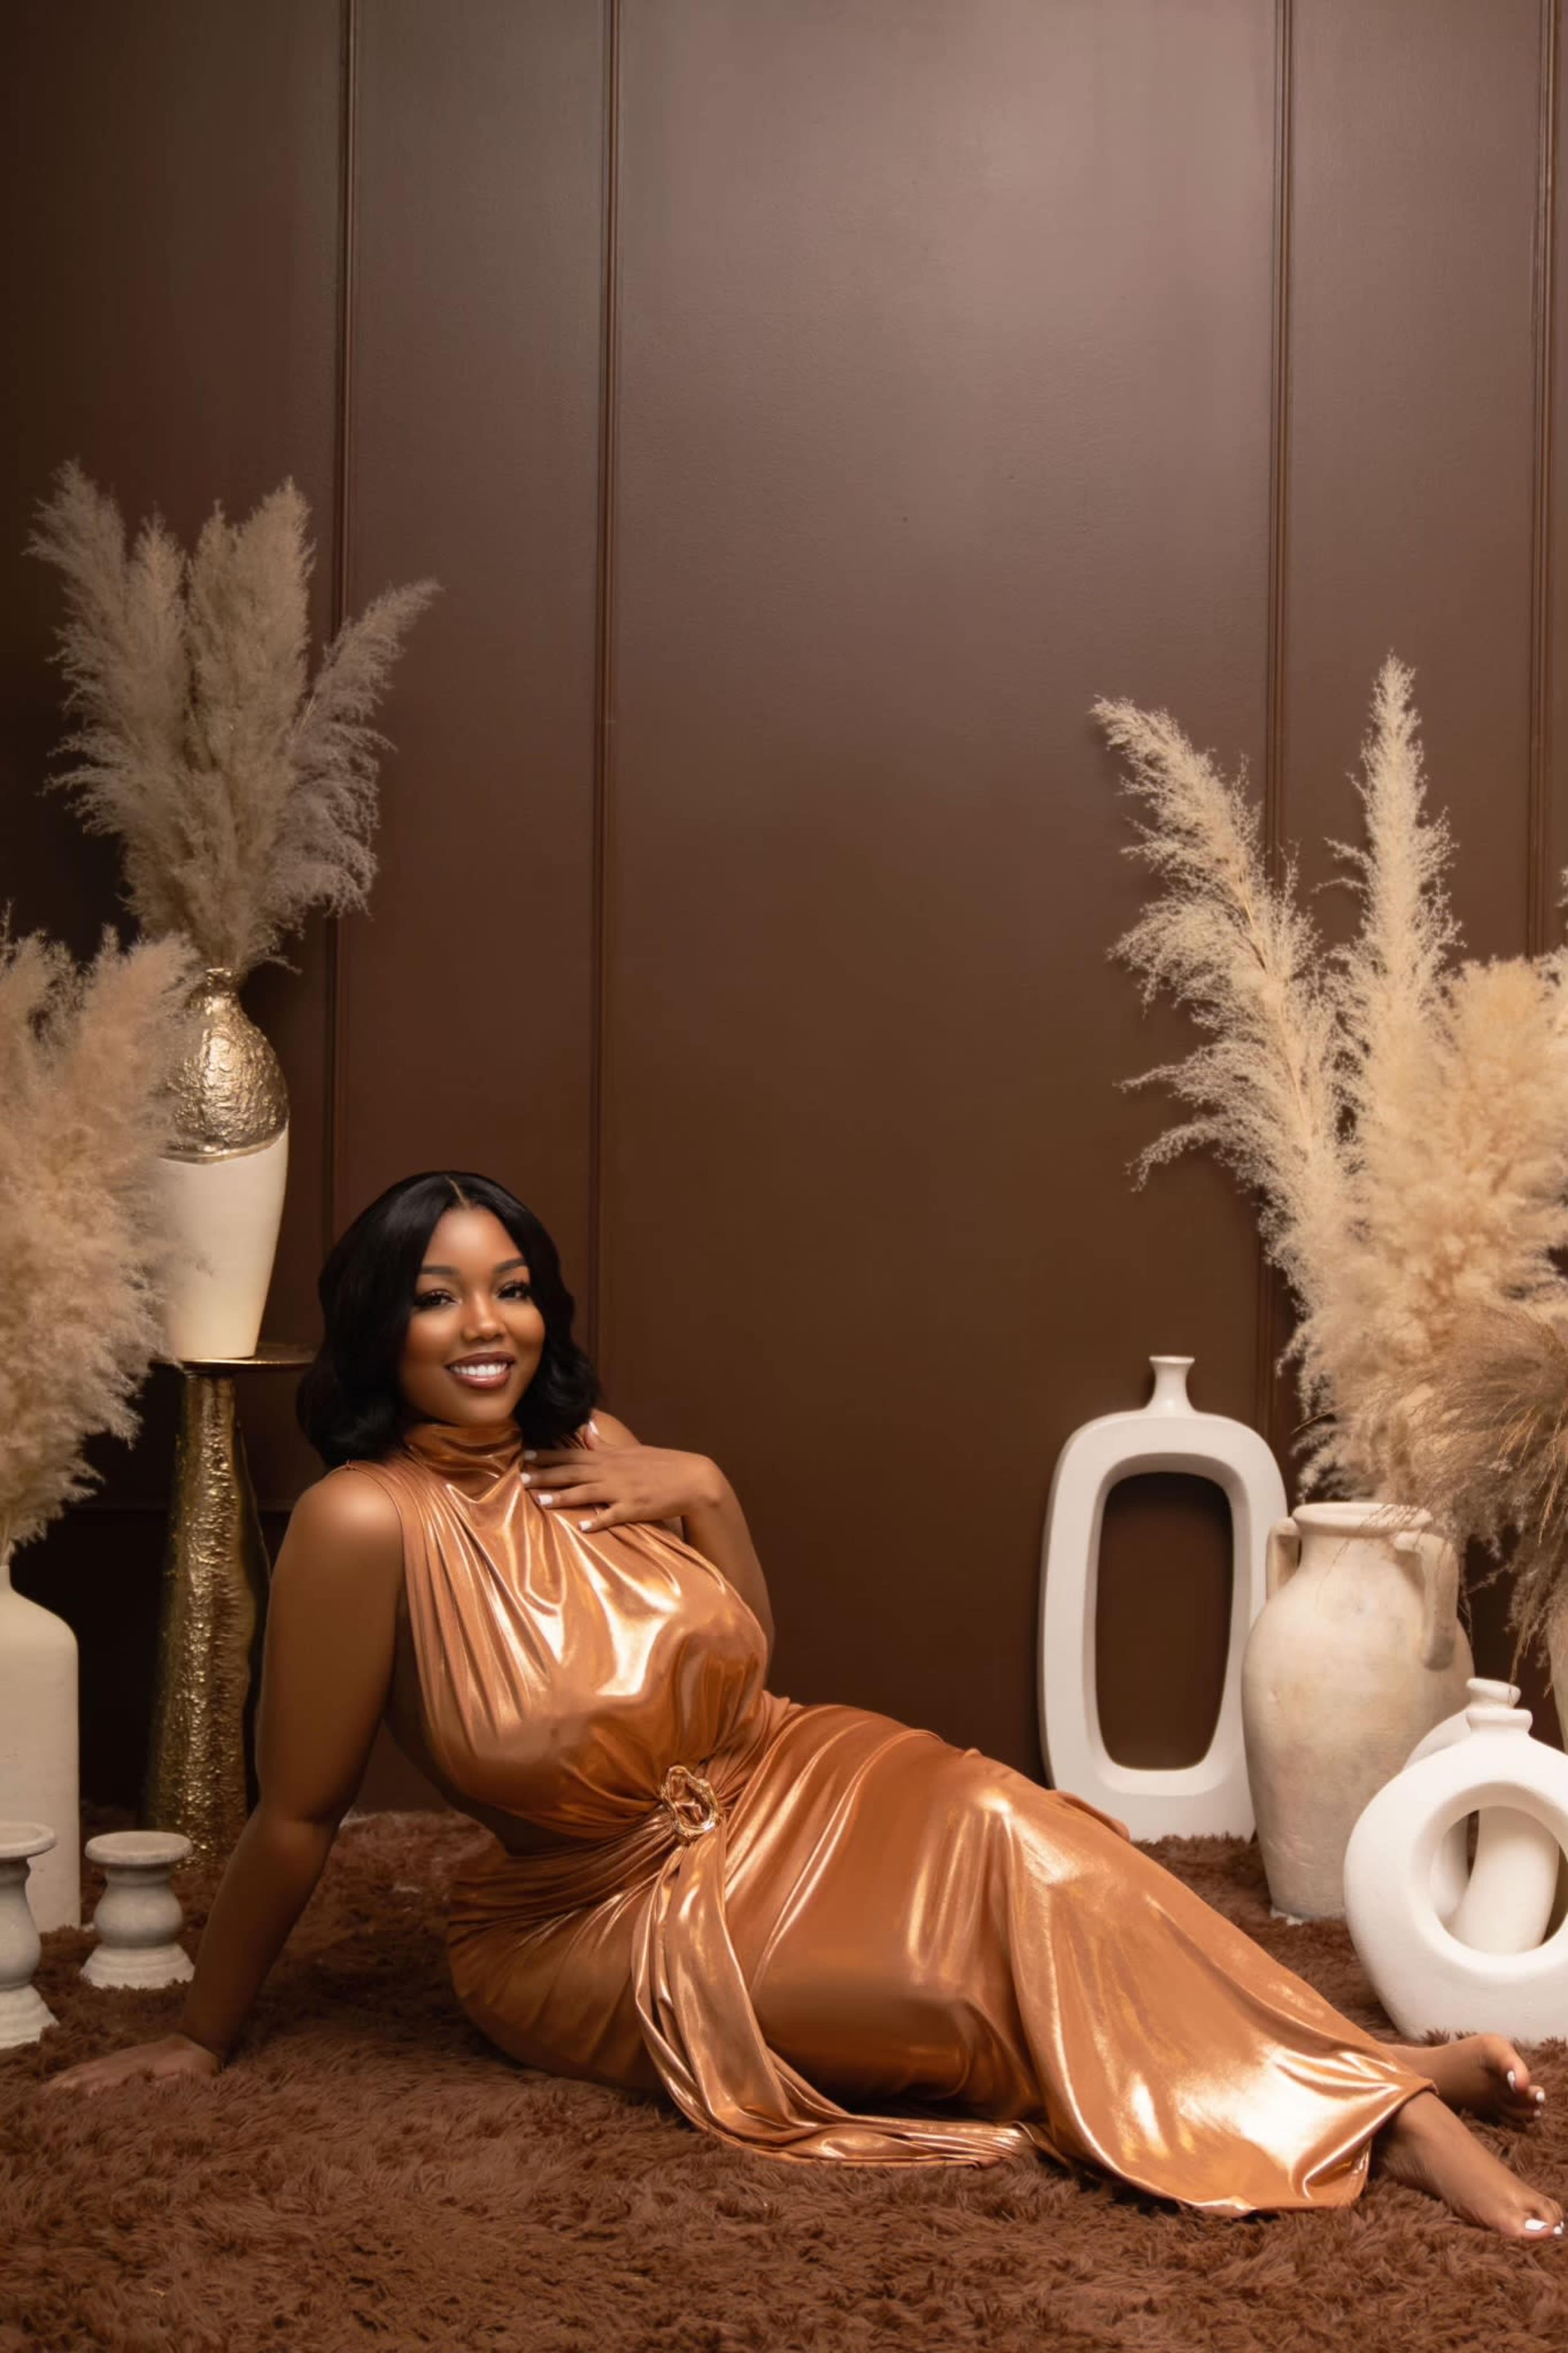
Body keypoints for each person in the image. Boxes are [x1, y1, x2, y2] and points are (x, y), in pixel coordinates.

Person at [47, 1172, 1561, 2237]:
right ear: (383, 1324)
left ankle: (1379, 2099)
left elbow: (748, 1653)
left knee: (1029, 1834)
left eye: (511, 1283)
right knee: (942, 2001)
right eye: (439, 1296)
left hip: (785, 1774)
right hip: (603, 1908)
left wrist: (703, 1484)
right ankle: (1376, 2099)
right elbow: (298, 1814)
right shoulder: (361, 1525)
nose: (486, 1322)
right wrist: (202, 2034)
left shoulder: (602, 1446)